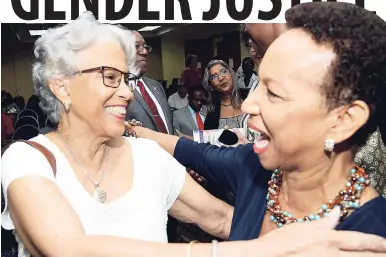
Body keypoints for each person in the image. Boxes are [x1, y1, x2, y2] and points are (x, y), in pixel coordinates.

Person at [2, 12, 382, 257]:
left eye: (128, 79)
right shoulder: (28, 159)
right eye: (111, 78)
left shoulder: (147, 160)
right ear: (62, 88)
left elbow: (220, 217)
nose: (127, 91)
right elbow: (69, 248)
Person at [129, 0, 386, 242]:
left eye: (273, 93)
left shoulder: (370, 234)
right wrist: (133, 131)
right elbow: (196, 152)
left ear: (343, 120)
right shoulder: (254, 167)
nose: (250, 104)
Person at [125, 31, 173, 134]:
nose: (145, 52)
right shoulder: (116, 89)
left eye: (145, 47)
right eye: (136, 46)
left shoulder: (156, 86)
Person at [203, 60, 244, 130]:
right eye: (214, 77)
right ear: (211, 85)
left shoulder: (250, 96)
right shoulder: (211, 110)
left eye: (223, 72)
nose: (221, 78)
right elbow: (207, 137)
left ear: (230, 73)